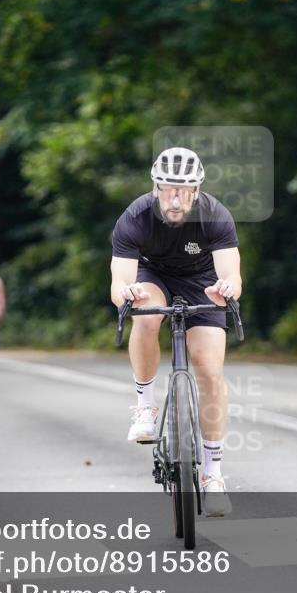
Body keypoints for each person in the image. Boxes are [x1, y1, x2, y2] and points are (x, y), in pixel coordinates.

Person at [109, 146, 241, 517]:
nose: (175, 199)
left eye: (183, 191)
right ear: (155, 188)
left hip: (203, 281)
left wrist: (227, 288)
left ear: (197, 191)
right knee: (146, 316)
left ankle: (212, 474)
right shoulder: (135, 218)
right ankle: (145, 407)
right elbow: (119, 284)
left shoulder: (215, 216)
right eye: (167, 189)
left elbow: (232, 276)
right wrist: (128, 293)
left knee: (209, 369)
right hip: (153, 276)